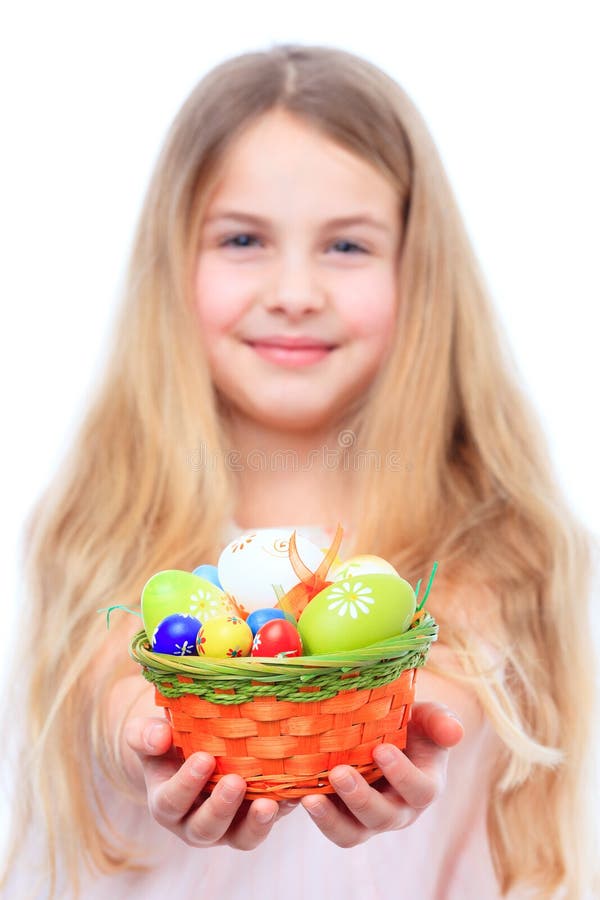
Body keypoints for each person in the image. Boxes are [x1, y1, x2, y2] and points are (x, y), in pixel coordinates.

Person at [1, 42, 597, 899]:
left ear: (416, 270)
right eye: (243, 238)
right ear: (175, 263)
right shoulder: (103, 519)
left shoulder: (500, 535)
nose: (293, 290)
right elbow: (118, 674)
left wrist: (393, 734)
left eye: (346, 247)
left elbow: (439, 675)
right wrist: (143, 733)